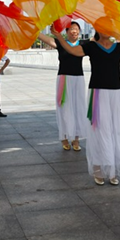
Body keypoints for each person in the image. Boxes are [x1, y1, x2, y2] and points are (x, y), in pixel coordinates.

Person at [54, 28, 120, 186]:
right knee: (99, 130)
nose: (106, 30)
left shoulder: (119, 47)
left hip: (116, 93)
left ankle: (112, 170)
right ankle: (98, 170)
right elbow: (72, 50)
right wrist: (58, 36)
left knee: (116, 130)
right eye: (102, 26)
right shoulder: (91, 46)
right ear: (97, 29)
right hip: (98, 92)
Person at [37, 22, 88, 151]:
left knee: (78, 109)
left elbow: (99, 40)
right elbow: (42, 37)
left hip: (78, 79)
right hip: (64, 79)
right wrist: (33, 27)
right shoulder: (60, 43)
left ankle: (76, 139)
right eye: (71, 29)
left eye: (76, 29)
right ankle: (64, 137)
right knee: (64, 108)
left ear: (79, 31)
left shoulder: (84, 44)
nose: (74, 31)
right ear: (66, 32)